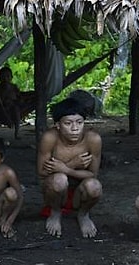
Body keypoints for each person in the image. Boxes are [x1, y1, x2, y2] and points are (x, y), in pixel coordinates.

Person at [37, 97, 102, 238]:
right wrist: (73, 164)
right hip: (54, 191)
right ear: (58, 125)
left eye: (79, 122)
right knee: (59, 180)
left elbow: (92, 175)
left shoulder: (93, 139)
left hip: (80, 191)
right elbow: (42, 172)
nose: (75, 128)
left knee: (94, 186)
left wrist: (66, 169)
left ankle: (83, 214)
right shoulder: (50, 138)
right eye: (68, 123)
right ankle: (55, 212)